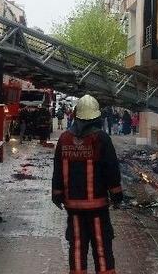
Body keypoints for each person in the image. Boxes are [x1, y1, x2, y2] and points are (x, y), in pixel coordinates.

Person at [52, 94, 122, 274]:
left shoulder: (64, 139)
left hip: (73, 207)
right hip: (97, 206)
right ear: (96, 117)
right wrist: (116, 195)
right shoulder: (101, 139)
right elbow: (111, 170)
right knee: (101, 247)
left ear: (76, 115)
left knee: (76, 247)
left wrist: (57, 194)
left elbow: (58, 169)